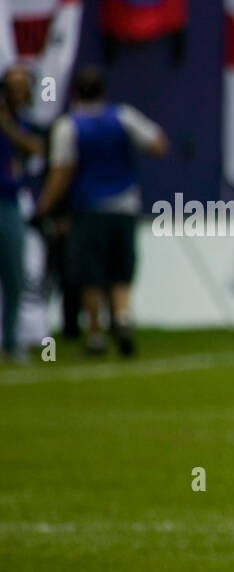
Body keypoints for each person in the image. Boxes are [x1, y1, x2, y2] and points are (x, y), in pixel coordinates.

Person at [36, 66, 167, 357]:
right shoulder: (122, 117)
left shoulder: (69, 127)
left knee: (90, 274)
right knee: (121, 271)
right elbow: (157, 143)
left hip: (88, 207)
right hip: (124, 205)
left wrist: (44, 204)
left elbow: (62, 170)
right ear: (103, 91)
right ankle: (121, 319)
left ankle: (95, 333)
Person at [0, 66, 44, 363]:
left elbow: (34, 149)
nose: (18, 93)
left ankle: (12, 340)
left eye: (23, 87)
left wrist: (6, 125)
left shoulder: (24, 124)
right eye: (13, 87)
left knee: (15, 275)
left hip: (9, 203)